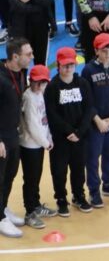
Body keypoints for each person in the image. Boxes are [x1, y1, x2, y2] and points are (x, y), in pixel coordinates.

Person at [45, 46, 95, 216]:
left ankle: (79, 195)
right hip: (61, 138)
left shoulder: (82, 84)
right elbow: (52, 113)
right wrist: (68, 131)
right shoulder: (52, 87)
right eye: (65, 65)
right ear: (58, 65)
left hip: (80, 137)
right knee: (59, 170)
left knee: (79, 168)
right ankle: (61, 198)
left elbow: (89, 109)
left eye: (71, 65)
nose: (68, 69)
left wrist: (79, 132)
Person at [80, 32, 109, 209]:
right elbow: (86, 99)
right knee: (93, 157)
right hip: (95, 123)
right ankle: (94, 191)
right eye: (104, 50)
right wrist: (97, 120)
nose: (108, 53)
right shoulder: (88, 70)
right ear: (96, 51)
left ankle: (108, 184)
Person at [0, 38, 33, 237]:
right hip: (1, 136)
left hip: (13, 133)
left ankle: (3, 208)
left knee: (10, 174)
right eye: (28, 54)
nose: (32, 57)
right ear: (15, 57)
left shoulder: (21, 72)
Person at [19, 63, 53, 230]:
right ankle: (30, 212)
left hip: (38, 144)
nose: (39, 86)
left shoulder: (39, 94)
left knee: (36, 176)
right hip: (29, 146)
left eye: (43, 83)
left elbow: (44, 119)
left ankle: (36, 204)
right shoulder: (29, 97)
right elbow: (32, 126)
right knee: (30, 179)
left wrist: (49, 137)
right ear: (30, 80)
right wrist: (46, 142)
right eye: (36, 82)